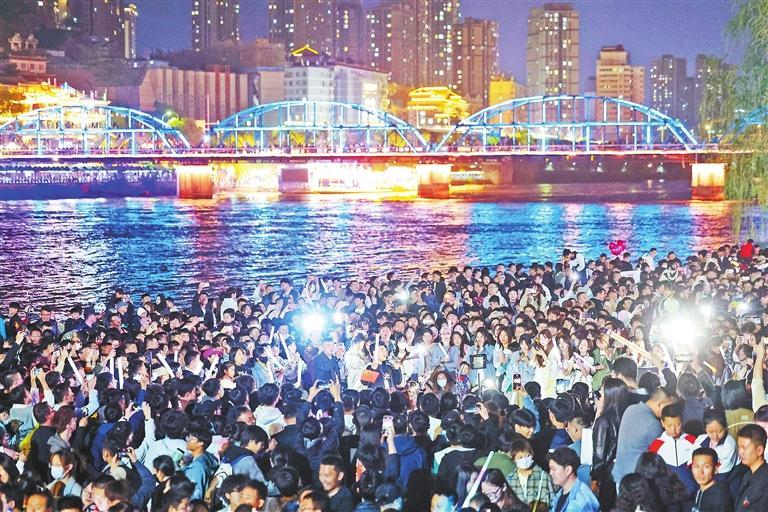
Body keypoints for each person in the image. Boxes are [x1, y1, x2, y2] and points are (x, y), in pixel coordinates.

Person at [612, 386, 675, 488]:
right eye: (669, 407)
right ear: (660, 404)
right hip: (637, 482)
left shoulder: (630, 409)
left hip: (620, 476)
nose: (670, 412)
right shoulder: (653, 425)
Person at [648, 401, 697, 493]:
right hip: (667, 493)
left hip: (690, 491)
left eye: (677, 425)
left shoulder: (692, 441)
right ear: (662, 423)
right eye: (669, 426)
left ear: (682, 421)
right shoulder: (655, 446)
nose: (673, 429)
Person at [506, 437, 555, 510]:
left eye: (527, 456)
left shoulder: (544, 476)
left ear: (532, 454)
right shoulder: (510, 479)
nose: (524, 459)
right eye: (520, 457)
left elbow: (553, 501)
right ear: (513, 459)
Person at [548, 447, 599, 512]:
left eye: (554, 469)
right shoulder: (559, 495)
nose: (550, 473)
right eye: (550, 469)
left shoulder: (582, 501)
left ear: (568, 470)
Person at [733, 424, 768, 512]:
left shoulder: (765, 483)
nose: (740, 452)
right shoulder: (747, 474)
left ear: (759, 450)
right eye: (739, 447)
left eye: (744, 448)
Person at [690, 447, 732, 512]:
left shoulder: (719, 498)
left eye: (706, 466)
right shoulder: (699, 490)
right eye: (696, 466)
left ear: (715, 469)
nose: (700, 472)